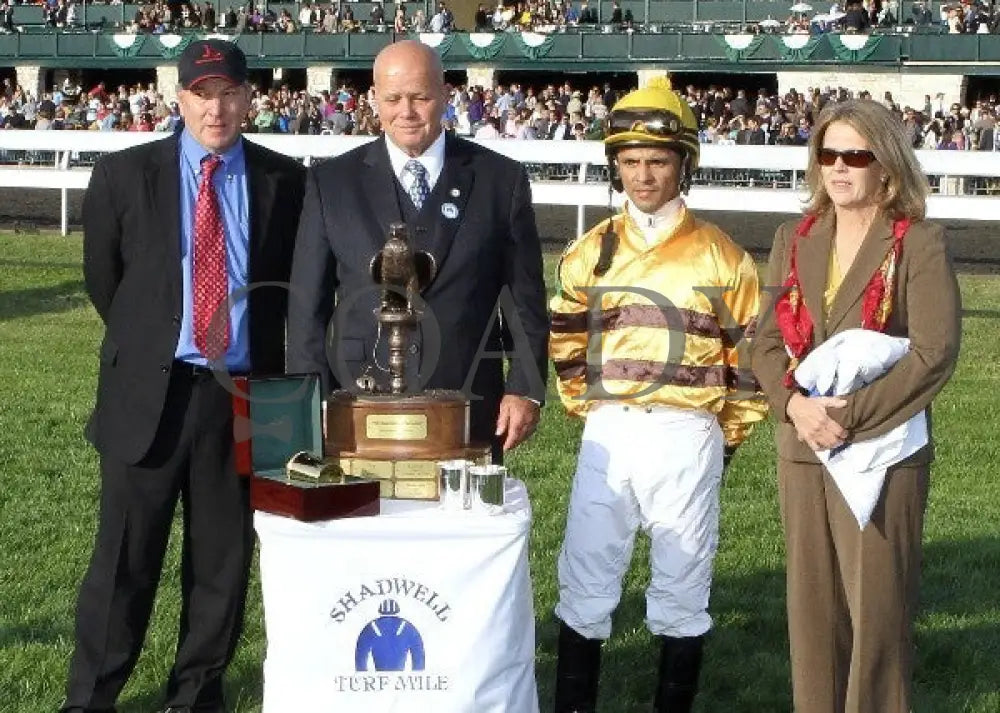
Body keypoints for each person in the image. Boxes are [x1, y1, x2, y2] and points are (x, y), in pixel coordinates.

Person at [60, 39, 306, 713]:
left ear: (251, 99)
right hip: (153, 394)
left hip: (244, 397)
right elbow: (106, 282)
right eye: (202, 93)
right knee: (123, 562)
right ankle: (91, 697)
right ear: (181, 98)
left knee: (222, 564)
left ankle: (196, 694)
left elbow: (290, 291)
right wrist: (160, 344)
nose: (215, 108)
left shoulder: (285, 181)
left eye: (229, 93)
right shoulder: (123, 174)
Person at [548, 78, 767, 713]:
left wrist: (727, 435)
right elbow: (565, 340)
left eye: (659, 161)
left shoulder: (724, 256)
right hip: (611, 429)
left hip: (687, 433)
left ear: (684, 164)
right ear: (615, 165)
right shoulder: (590, 252)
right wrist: (590, 409)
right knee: (586, 580)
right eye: (631, 162)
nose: (643, 176)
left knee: (682, 583)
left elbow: (746, 359)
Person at [750, 99, 961, 713]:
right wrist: (794, 408)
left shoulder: (920, 241)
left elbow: (934, 352)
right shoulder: (795, 237)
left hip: (881, 454)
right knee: (812, 616)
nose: (838, 167)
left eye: (855, 155)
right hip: (802, 449)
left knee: (876, 617)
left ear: (887, 167)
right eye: (828, 153)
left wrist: (844, 418)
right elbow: (764, 343)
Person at [287, 40, 548, 458]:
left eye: (420, 97)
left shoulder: (501, 181)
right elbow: (306, 307)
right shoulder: (330, 183)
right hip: (356, 411)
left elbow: (525, 302)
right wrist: (310, 397)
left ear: (445, 94)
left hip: (467, 408)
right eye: (392, 98)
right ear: (374, 99)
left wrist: (526, 388)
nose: (406, 112)